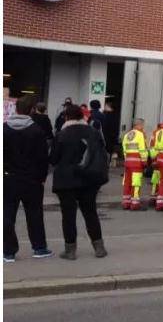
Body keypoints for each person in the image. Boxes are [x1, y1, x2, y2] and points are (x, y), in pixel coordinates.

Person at [50, 104, 108, 260]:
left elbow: (53, 158)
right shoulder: (94, 133)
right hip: (89, 180)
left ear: (67, 117)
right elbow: (101, 153)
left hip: (66, 181)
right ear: (83, 116)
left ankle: (70, 250)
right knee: (90, 213)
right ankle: (99, 247)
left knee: (68, 215)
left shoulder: (61, 135)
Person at [4, 95, 52, 262]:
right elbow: (42, 158)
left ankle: (8, 251)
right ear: (31, 110)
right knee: (35, 214)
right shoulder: (36, 131)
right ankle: (39, 248)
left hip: (9, 178)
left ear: (15, 109)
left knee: (7, 214)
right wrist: (42, 177)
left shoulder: (5, 129)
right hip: (32, 180)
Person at [121, 119, 148, 210]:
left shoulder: (127, 135)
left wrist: (126, 160)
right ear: (139, 125)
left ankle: (126, 202)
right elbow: (142, 149)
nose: (143, 127)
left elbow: (124, 150)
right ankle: (135, 204)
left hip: (128, 162)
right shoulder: (140, 135)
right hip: (136, 163)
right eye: (143, 125)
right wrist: (144, 161)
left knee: (127, 183)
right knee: (136, 183)